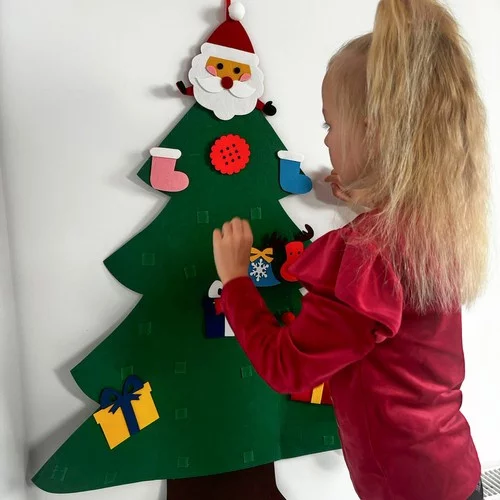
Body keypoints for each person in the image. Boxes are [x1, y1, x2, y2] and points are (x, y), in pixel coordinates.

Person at [212, 0, 489, 498]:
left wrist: (235, 282)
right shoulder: (438, 221)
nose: (326, 142)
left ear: (375, 133)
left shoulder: (368, 253)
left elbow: (286, 365)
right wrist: (365, 193)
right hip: (451, 466)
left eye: (330, 126)